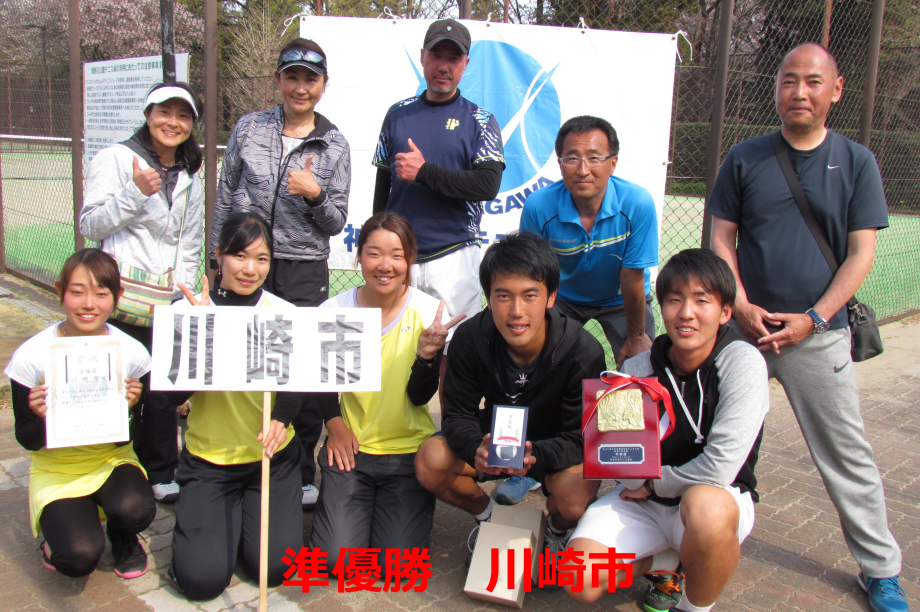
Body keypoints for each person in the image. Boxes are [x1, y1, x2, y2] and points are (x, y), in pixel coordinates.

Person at [707, 43, 908, 612]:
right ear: (776, 88)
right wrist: (741, 304)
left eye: (813, 81)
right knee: (715, 440)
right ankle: (691, 547)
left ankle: (881, 570)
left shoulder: (857, 161)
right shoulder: (745, 157)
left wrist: (814, 317)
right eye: (789, 80)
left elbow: (861, 254)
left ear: (835, 90)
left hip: (818, 335)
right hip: (744, 331)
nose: (799, 91)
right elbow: (721, 238)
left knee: (846, 454)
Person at [565, 249, 769, 612]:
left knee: (704, 506)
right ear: (662, 307)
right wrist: (628, 472)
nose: (686, 313)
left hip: (713, 501)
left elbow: (720, 467)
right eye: (675, 300)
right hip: (645, 503)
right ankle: (664, 564)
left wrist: (652, 484)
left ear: (725, 312)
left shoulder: (743, 362)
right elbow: (618, 461)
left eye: (701, 301)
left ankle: (694, 607)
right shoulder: (637, 368)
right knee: (578, 578)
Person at [213, 38, 351, 509]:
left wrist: (314, 193)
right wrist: (218, 260)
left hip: (301, 266)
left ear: (323, 85)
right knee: (242, 356)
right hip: (247, 262)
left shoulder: (334, 144)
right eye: (292, 77)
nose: (300, 87)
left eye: (310, 79)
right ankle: (238, 459)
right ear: (278, 80)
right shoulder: (249, 128)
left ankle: (301, 470)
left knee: (301, 364)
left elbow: (336, 221)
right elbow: (225, 193)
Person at [414, 231, 607, 568]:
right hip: (494, 437)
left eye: (530, 295)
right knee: (431, 460)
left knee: (573, 498)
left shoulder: (583, 351)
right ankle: (490, 518)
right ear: (488, 298)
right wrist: (475, 448)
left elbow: (581, 439)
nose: (516, 311)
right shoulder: (470, 339)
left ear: (551, 297)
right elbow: (457, 414)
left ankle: (555, 532)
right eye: (503, 296)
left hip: (552, 443)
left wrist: (534, 456)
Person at [514, 115, 658, 505]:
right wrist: (538, 332)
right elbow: (534, 273)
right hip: (564, 298)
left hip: (622, 298)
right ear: (558, 162)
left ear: (613, 162)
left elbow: (632, 275)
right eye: (572, 158)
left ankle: (630, 469)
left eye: (594, 158)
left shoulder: (637, 203)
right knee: (538, 366)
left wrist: (634, 337)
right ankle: (529, 464)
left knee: (638, 370)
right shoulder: (540, 206)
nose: (583, 169)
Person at [310, 212, 465, 570]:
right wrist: (335, 425)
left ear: (410, 259)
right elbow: (322, 381)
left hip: (408, 453)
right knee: (336, 562)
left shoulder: (427, 313)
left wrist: (427, 357)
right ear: (359, 256)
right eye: (374, 253)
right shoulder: (337, 310)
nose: (385, 265)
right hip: (352, 450)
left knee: (396, 566)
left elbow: (419, 397)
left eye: (397, 255)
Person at [168, 213, 304, 601]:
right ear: (218, 255)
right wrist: (199, 334)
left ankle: (246, 526)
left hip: (270, 458)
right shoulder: (189, 312)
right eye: (239, 256)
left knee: (276, 569)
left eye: (261, 259)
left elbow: (296, 384)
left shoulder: (283, 312)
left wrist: (280, 419)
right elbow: (170, 399)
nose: (249, 269)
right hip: (210, 461)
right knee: (202, 582)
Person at [80, 81, 205, 504]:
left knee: (161, 391)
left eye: (183, 115)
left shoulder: (189, 174)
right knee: (119, 387)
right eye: (164, 112)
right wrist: (134, 193)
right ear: (148, 114)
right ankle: (110, 469)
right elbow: (91, 224)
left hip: (165, 300)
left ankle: (161, 470)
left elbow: (189, 240)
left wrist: (183, 293)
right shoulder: (116, 158)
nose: (173, 122)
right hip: (120, 299)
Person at [5, 248, 155, 579]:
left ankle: (121, 533)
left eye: (101, 294)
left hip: (111, 460)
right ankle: (60, 530)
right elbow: (27, 439)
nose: (89, 304)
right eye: (77, 292)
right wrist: (44, 418)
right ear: (59, 291)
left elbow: (130, 440)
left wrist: (129, 410)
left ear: (117, 296)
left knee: (135, 510)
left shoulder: (132, 353)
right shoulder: (32, 356)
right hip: (57, 471)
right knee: (78, 557)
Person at [372, 18, 505, 326]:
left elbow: (488, 184)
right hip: (399, 254)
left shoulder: (480, 119)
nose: (443, 66)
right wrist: (376, 240)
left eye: (453, 58)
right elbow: (383, 182)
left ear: (465, 63)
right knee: (395, 342)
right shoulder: (397, 114)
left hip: (454, 254)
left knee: (455, 345)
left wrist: (425, 172)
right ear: (422, 57)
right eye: (436, 55)